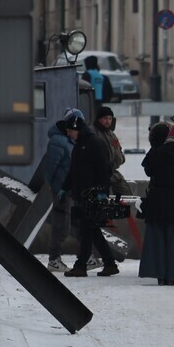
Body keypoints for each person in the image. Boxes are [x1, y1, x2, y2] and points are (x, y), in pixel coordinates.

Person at [62, 117, 121, 277]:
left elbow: (104, 168)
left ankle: (80, 266)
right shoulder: (80, 145)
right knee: (92, 230)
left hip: (93, 195)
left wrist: (102, 191)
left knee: (87, 230)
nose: (68, 134)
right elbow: (74, 171)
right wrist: (65, 188)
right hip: (84, 194)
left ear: (76, 129)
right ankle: (110, 264)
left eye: (69, 131)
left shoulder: (93, 143)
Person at [138, 122, 174, 286]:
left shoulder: (156, 153)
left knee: (157, 239)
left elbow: (147, 169)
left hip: (157, 198)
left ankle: (159, 273)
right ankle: (173, 274)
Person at [43, 109, 82, 271]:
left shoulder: (70, 140)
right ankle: (54, 258)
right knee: (61, 223)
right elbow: (50, 167)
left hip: (71, 188)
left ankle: (83, 255)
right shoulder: (58, 141)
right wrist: (55, 186)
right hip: (61, 189)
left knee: (74, 222)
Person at [96, 105, 130, 194]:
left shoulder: (111, 134)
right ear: (99, 119)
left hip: (113, 172)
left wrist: (121, 158)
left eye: (110, 118)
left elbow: (118, 148)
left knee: (126, 194)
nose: (108, 121)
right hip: (100, 174)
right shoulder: (95, 134)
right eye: (105, 118)